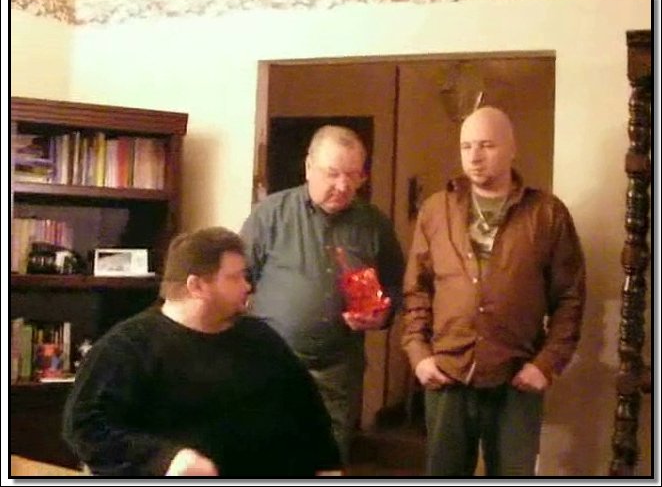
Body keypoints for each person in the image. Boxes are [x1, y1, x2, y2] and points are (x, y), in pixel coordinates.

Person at [62, 227, 341, 477]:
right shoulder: (127, 347)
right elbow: (85, 426)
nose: (247, 286)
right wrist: (165, 460)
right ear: (196, 286)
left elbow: (309, 411)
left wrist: (327, 466)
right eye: (235, 278)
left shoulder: (261, 338)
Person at [402, 106, 586, 476]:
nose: (474, 156)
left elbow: (570, 297)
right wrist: (418, 353)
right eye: (466, 146)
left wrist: (546, 364)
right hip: (447, 373)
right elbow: (417, 290)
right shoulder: (436, 210)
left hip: (516, 377)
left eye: (486, 145)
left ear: (511, 149)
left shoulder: (546, 214)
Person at [240, 125, 405, 464]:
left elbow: (396, 287)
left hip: (338, 372)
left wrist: (382, 314)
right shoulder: (270, 215)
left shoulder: (374, 224)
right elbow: (236, 281)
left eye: (353, 175)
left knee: (329, 461)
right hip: (273, 366)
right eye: (333, 173)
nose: (343, 186)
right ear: (308, 167)